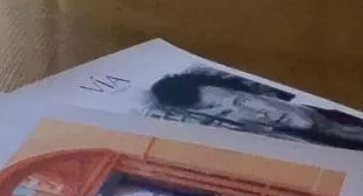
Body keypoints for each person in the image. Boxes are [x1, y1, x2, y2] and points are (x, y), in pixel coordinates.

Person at [147, 68, 363, 150]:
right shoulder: (203, 84)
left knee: (335, 132)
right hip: (282, 111)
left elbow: (250, 108)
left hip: (281, 117)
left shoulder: (204, 101)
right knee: (337, 129)